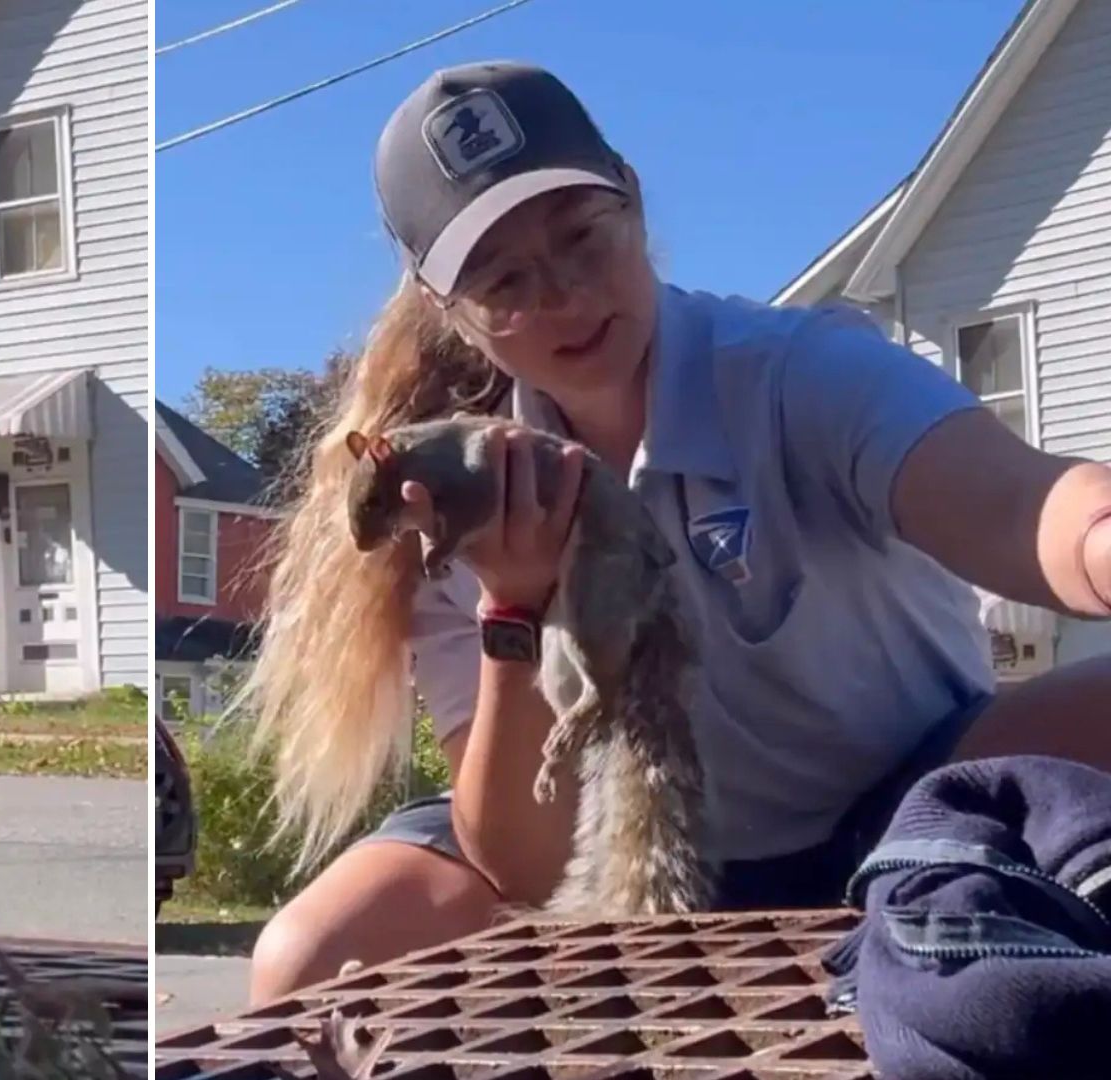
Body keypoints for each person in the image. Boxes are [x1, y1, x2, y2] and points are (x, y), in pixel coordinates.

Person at [239, 60, 1111, 1002]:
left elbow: (1018, 505)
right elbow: (524, 864)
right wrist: (513, 607)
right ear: (451, 311)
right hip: (622, 853)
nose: (565, 294)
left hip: (904, 802)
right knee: (313, 960)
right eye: (504, 280)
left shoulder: (801, 373)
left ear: (635, 203)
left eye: (582, 237)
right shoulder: (454, 496)